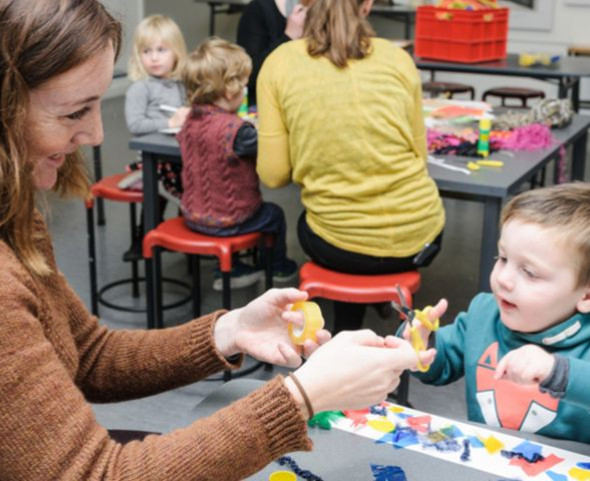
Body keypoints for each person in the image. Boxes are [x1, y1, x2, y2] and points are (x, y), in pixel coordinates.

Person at [0, 2, 426, 479]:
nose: (98, 133)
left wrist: (229, 331)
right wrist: (300, 399)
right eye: (74, 112)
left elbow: (85, 354)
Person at [405, 182, 590, 452]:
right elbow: (440, 363)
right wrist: (421, 344)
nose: (503, 279)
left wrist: (559, 373)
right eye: (503, 258)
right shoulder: (486, 313)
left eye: (530, 272)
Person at [257, 0, 445, 333]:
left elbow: (273, 176)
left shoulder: (279, 63)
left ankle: (347, 333)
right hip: (423, 236)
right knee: (349, 235)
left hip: (341, 247)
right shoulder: (398, 58)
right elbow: (420, 155)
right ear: (368, 4)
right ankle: (385, 311)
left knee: (323, 226)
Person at [178, 38, 298, 291]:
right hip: (231, 219)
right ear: (230, 90)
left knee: (221, 197)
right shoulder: (238, 131)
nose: (245, 91)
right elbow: (270, 149)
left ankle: (231, 266)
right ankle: (276, 266)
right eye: (243, 86)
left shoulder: (190, 119)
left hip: (192, 215)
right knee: (274, 215)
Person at [123, 15, 189, 258]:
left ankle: (186, 231)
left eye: (161, 50)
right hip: (153, 159)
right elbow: (135, 124)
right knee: (177, 181)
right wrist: (169, 123)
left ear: (176, 52)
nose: (154, 57)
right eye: (146, 51)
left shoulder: (181, 85)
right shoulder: (140, 88)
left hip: (178, 154)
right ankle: (145, 236)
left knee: (198, 174)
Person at [236, 0, 310, 107]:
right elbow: (248, 74)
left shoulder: (324, 9)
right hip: (265, 104)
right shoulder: (258, 9)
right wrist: (289, 36)